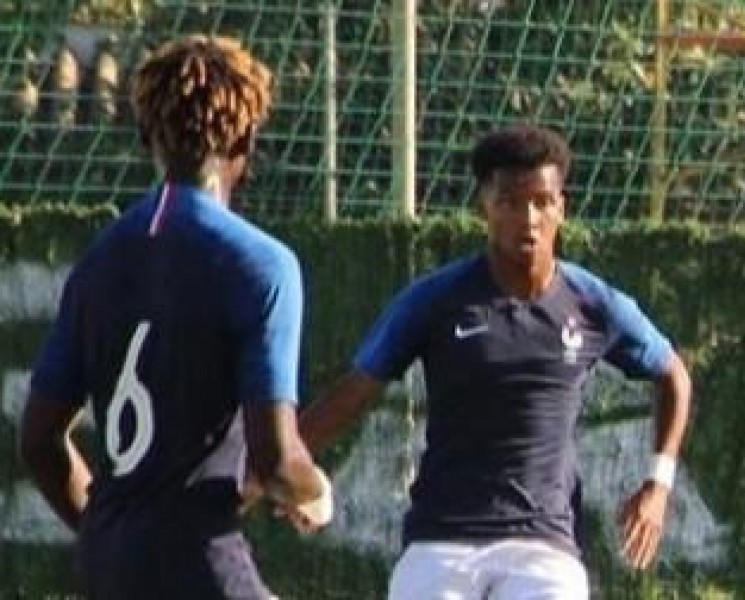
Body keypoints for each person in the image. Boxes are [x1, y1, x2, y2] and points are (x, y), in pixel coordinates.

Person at [297, 124, 692, 599]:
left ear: (561, 208)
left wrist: (659, 484)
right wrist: (277, 465)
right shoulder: (435, 300)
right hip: (440, 542)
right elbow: (356, 390)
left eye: (542, 202)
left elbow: (672, 374)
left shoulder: (592, 303)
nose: (528, 218)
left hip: (544, 549)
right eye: (510, 202)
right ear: (484, 206)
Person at [19, 35, 331, 600]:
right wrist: (313, 489)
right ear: (248, 140)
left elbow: (40, 440)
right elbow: (276, 458)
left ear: (145, 137)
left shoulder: (99, 260)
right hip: (200, 558)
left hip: (107, 565)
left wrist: (106, 531)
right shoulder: (260, 264)